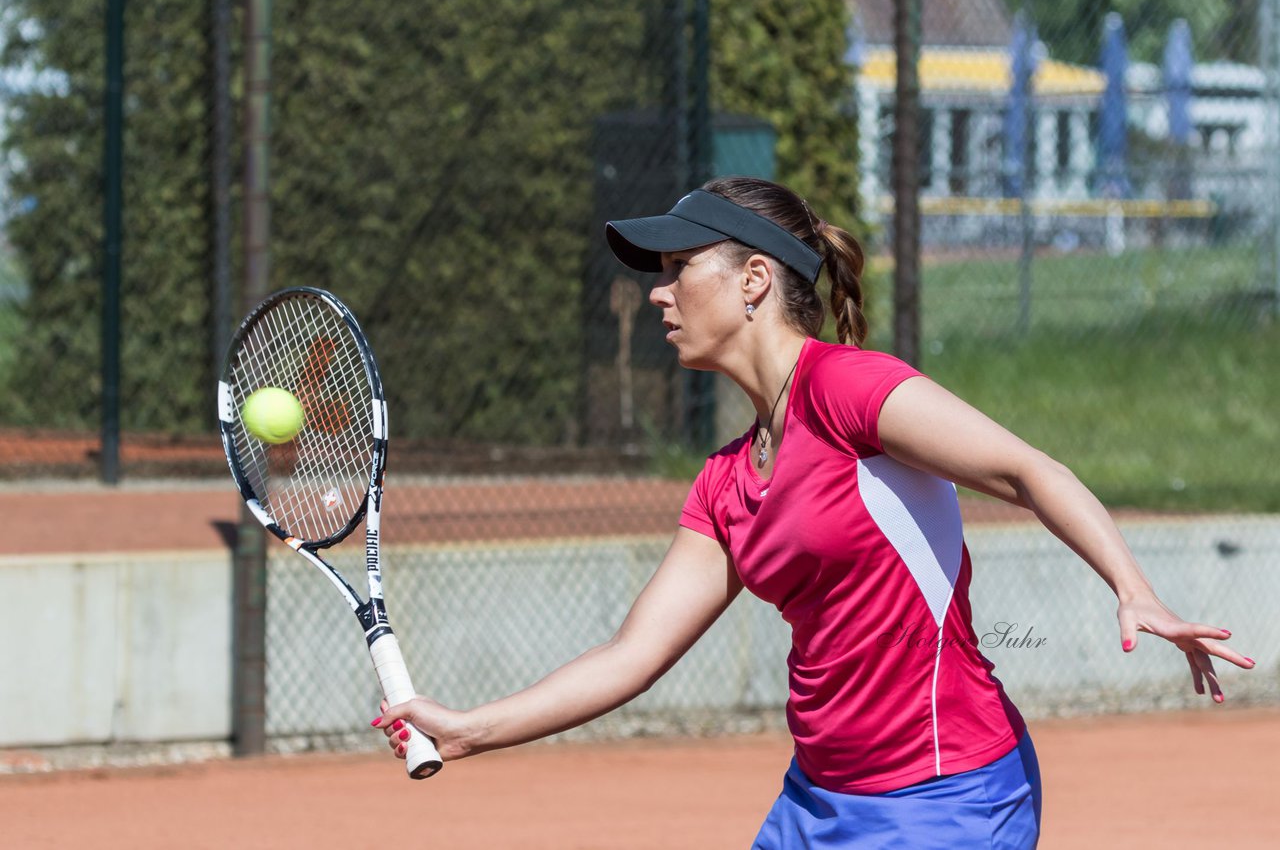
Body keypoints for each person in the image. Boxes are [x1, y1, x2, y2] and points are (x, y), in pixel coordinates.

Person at [373, 177, 1254, 848]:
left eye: (681, 269)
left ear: (755, 279)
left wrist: (1131, 588)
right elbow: (633, 655)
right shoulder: (726, 479)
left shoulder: (848, 389)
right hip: (818, 801)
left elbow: (1028, 470)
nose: (658, 293)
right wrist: (470, 730)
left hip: (944, 799)